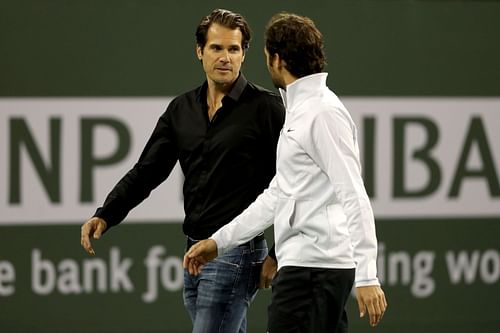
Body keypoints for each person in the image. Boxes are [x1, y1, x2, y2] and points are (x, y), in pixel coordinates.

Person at [80, 8, 285, 333]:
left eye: (234, 49)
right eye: (217, 48)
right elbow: (147, 171)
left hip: (236, 253)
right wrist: (106, 214)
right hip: (194, 251)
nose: (225, 57)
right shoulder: (182, 109)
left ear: (244, 54)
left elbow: (298, 183)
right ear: (199, 51)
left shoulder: (268, 109)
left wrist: (278, 252)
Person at [184, 12, 387, 333]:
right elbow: (279, 195)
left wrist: (367, 276)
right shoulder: (302, 111)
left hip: (314, 271)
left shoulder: (321, 113)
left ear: (277, 60)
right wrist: (219, 242)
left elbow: (353, 194)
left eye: (265, 56)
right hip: (307, 267)